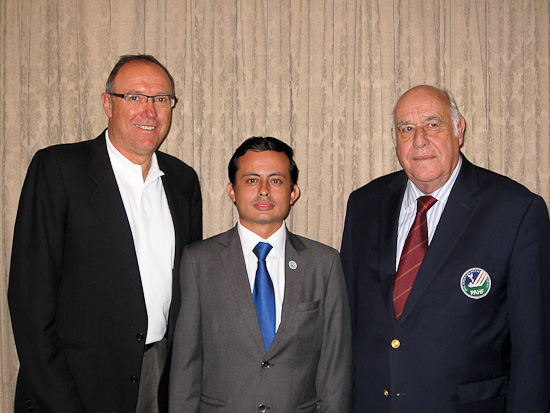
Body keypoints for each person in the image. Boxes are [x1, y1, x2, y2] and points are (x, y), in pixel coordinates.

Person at [8, 54, 202, 412]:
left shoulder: (183, 181)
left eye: (161, 99)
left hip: (157, 376)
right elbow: (29, 300)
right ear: (107, 103)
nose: (150, 111)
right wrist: (61, 400)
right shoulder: (59, 170)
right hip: (74, 385)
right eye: (135, 97)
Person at [341, 85, 550, 412]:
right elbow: (349, 325)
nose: (419, 139)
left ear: (459, 129)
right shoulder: (364, 205)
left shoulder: (516, 211)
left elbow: (534, 350)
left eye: (432, 124)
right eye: (406, 129)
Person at [169, 137, 352, 412]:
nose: (264, 191)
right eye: (252, 180)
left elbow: (335, 367)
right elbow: (185, 365)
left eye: (276, 181)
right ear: (232, 190)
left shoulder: (323, 264)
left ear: (293, 193)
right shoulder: (199, 262)